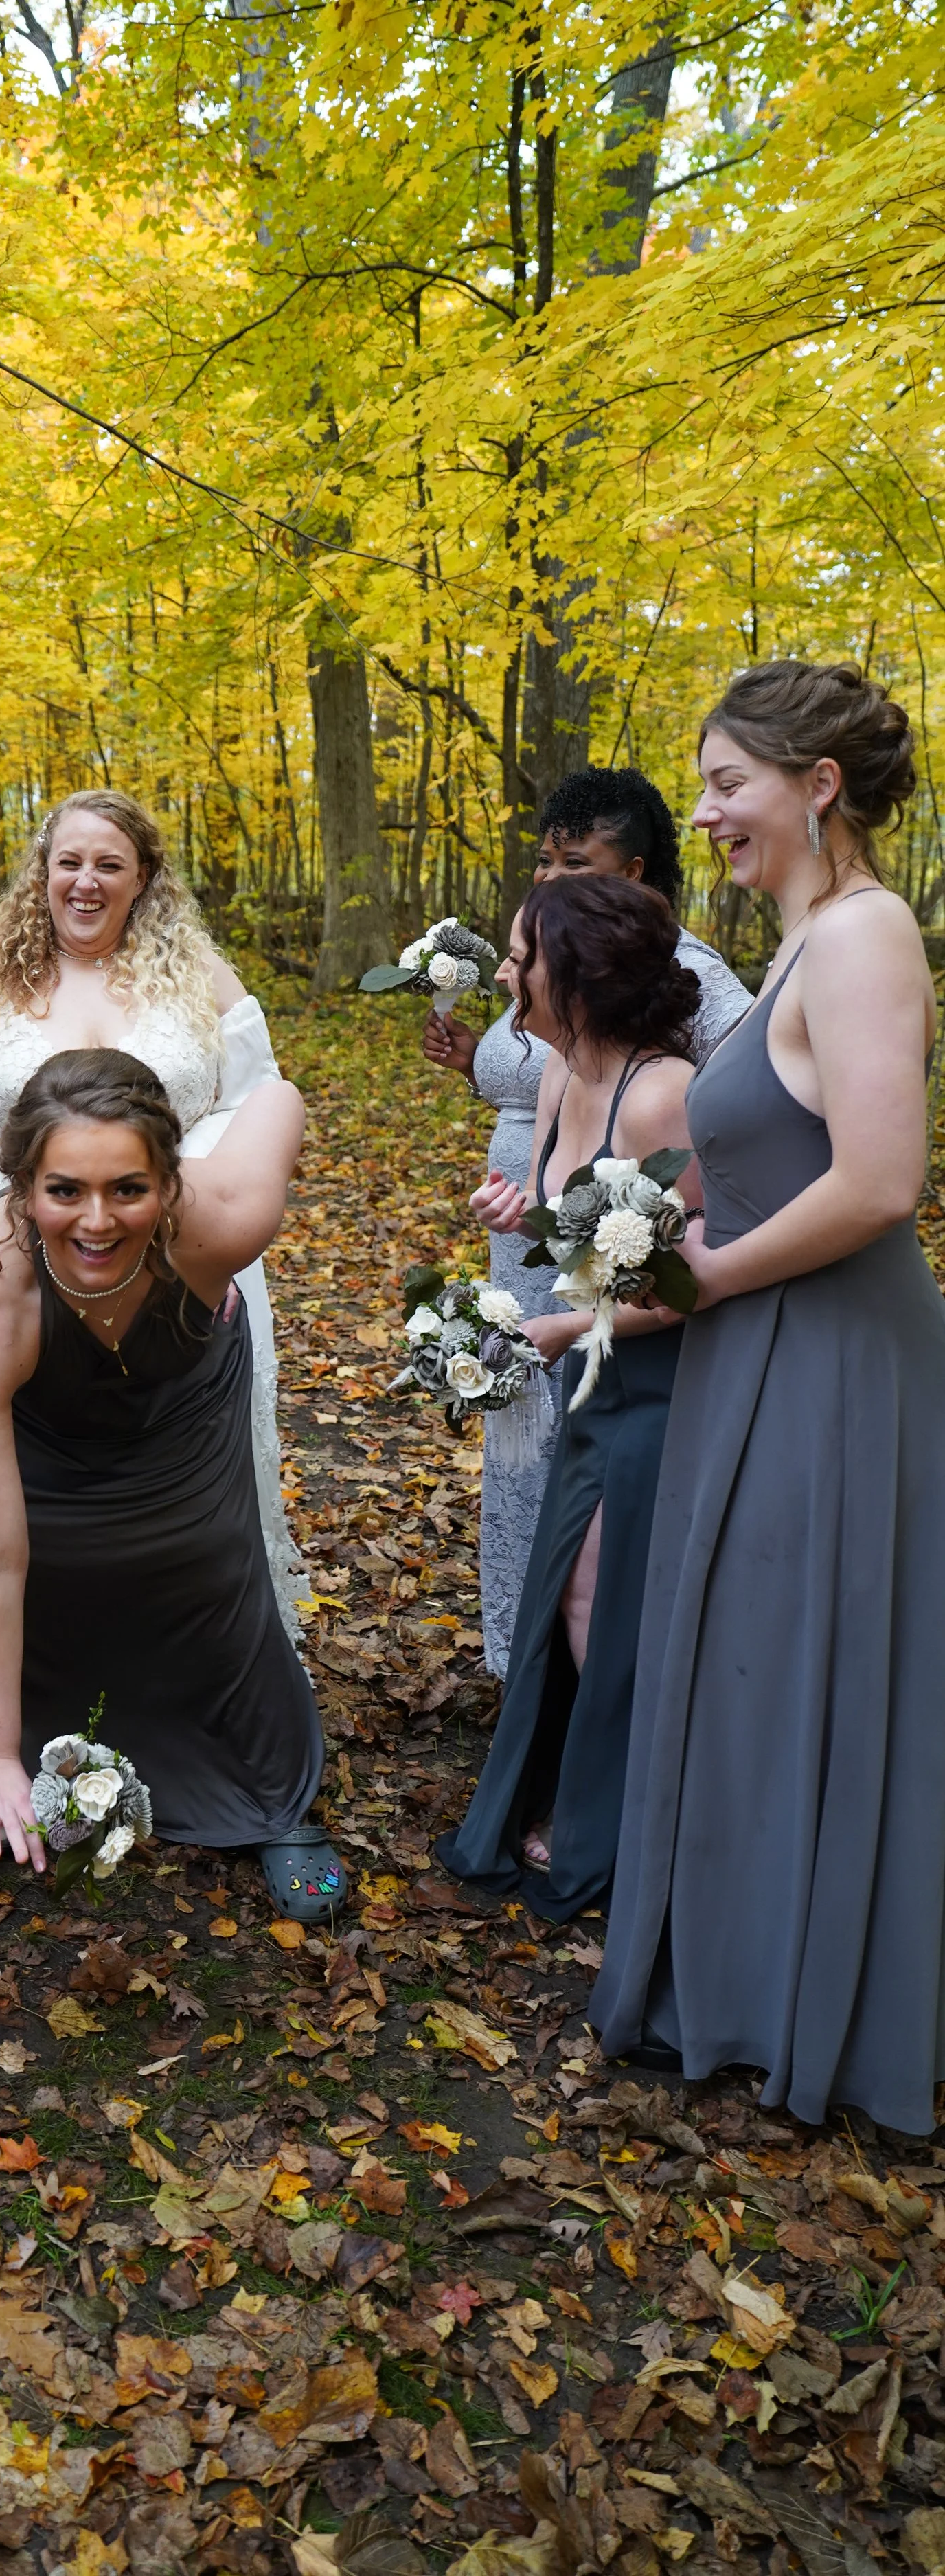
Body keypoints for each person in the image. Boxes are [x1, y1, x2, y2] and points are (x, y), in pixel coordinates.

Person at [591, 661, 945, 2129]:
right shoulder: (803, 941)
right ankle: (738, 1975)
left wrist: (707, 1277)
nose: (705, 811)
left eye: (727, 782)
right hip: (754, 1338)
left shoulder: (864, 937)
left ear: (815, 786)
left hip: (827, 1360)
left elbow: (875, 1183)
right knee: (747, 1660)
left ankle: (814, 2003)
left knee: (803, 1663)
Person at [0, 1049, 340, 1919]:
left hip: (176, 1397)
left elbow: (282, 1096)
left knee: (210, 1552)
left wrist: (232, 1113)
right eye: (65, 1190)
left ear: (170, 1180)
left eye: (128, 1189)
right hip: (22, 1411)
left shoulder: (226, 1218)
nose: (97, 1222)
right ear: (23, 1184)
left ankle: (259, 1792)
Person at [0, 789, 306, 1645]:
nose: (85, 882)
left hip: (177, 1256)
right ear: (42, 872)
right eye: (68, 862)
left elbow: (255, 1101)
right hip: (5, 1260)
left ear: (143, 878)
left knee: (168, 1479)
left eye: (109, 864)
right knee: (12, 1477)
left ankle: (192, 1647)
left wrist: (185, 1215)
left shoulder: (197, 975)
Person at [422, 768, 749, 1677]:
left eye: (579, 860)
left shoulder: (682, 995)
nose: (553, 877)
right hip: (548, 1236)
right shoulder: (558, 977)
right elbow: (532, 1066)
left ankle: (590, 1678)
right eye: (546, 860)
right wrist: (472, 1073)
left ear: (635, 869)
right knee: (527, 1450)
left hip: (635, 1267)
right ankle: (521, 1657)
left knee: (596, 1479)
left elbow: (733, 1110)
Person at [435, 876, 698, 1919]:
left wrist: (560, 1326)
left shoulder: (664, 1091)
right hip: (588, 1366)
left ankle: (622, 1820)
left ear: (576, 973)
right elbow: (574, 1231)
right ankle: (589, 1797)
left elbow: (686, 1285)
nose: (505, 972)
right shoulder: (558, 1070)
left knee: (601, 1596)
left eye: (519, 956)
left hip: (663, 1381)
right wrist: (520, 1211)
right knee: (575, 1594)